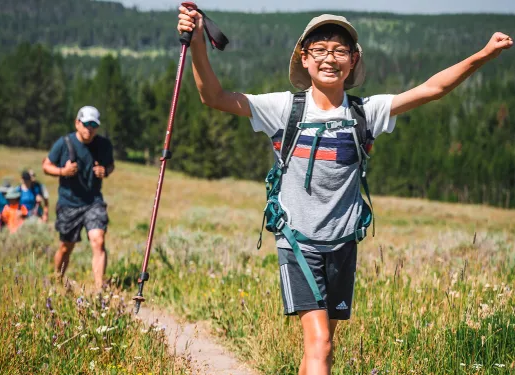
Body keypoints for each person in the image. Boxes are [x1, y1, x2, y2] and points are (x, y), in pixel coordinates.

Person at [177, 8, 512, 375]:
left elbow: (433, 90)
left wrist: (483, 55)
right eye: (319, 49)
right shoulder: (284, 109)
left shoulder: (366, 112)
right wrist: (197, 45)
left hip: (342, 246)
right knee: (319, 343)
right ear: (304, 59)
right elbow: (214, 96)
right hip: (297, 242)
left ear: (352, 61)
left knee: (322, 350)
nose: (329, 58)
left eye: (339, 51)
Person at [42, 105, 115, 290]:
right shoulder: (64, 143)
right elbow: (46, 165)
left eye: (93, 124)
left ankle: (100, 289)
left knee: (98, 240)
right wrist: (62, 171)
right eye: (85, 123)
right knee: (66, 246)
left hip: (93, 201)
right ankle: (57, 279)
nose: (89, 128)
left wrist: (105, 171)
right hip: (69, 203)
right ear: (77, 123)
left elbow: (111, 165)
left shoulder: (104, 145)